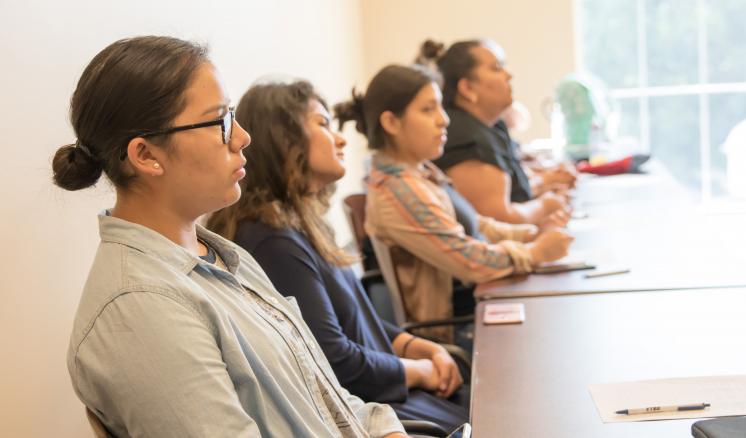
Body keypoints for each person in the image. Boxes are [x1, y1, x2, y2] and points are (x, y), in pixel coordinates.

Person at [56, 36, 405, 438]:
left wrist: (386, 431)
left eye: (233, 115)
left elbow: (323, 398)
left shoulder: (222, 256)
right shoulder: (140, 307)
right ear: (147, 155)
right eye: (220, 121)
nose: (242, 137)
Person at [206, 80, 470, 433]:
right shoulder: (272, 242)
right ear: (285, 139)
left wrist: (415, 345)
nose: (341, 138)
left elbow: (353, 318)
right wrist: (420, 371)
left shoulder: (300, 223)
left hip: (395, 396)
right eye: (323, 124)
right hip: (382, 412)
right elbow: (338, 362)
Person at [335, 64, 573, 343]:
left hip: (473, 308)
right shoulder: (401, 191)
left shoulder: (419, 173)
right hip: (453, 334)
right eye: (428, 110)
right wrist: (535, 253)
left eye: (440, 108)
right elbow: (470, 261)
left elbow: (474, 224)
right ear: (391, 123)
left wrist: (533, 234)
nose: (444, 120)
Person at [417, 39, 576, 227]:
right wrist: (546, 205)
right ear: (467, 88)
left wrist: (545, 183)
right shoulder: (466, 139)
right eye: (496, 68)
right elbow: (499, 219)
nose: (508, 75)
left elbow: (512, 191)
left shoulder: (488, 128)